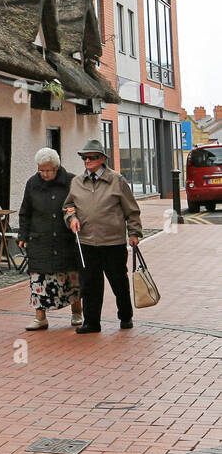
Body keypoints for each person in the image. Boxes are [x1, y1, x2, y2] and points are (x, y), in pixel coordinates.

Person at [62, 137, 142, 333]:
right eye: (84, 158)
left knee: (118, 282)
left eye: (92, 157)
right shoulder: (77, 183)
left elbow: (131, 210)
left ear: (102, 159)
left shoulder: (117, 180)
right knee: (90, 285)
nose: (87, 161)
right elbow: (68, 207)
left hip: (112, 242)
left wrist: (134, 233)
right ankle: (91, 322)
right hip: (87, 242)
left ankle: (125, 316)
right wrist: (71, 219)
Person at [17, 148, 83, 331]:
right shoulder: (32, 183)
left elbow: (80, 206)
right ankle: (40, 318)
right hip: (40, 238)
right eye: (41, 170)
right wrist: (23, 234)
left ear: (57, 167)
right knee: (39, 278)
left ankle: (77, 313)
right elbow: (25, 212)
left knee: (72, 277)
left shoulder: (72, 181)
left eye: (48, 170)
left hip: (65, 238)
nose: (44, 174)